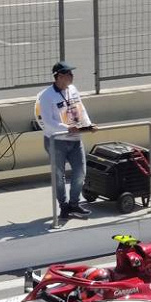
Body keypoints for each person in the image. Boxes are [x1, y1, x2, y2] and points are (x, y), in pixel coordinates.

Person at [36, 61, 97, 220]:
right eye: (69, 73)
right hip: (57, 141)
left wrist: (88, 125)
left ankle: (74, 203)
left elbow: (81, 110)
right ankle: (64, 206)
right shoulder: (46, 96)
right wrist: (67, 128)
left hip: (75, 139)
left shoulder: (73, 90)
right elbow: (48, 121)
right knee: (59, 175)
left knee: (80, 172)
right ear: (59, 76)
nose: (72, 76)